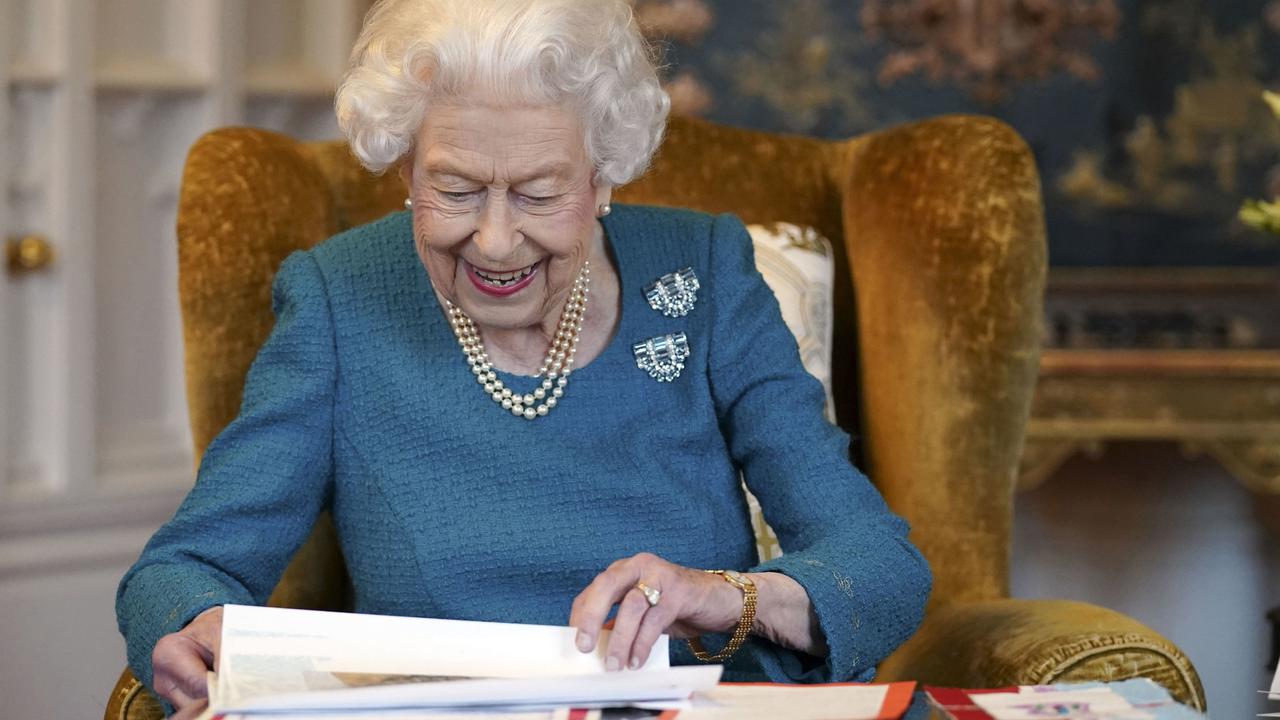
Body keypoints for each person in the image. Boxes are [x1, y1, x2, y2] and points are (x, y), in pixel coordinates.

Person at [116, 0, 932, 715]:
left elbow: (880, 566)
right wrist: (194, 624)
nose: (496, 241)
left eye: (540, 193)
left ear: (603, 173)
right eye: (457, 189)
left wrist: (724, 597)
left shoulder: (704, 270)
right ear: (405, 165)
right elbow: (184, 567)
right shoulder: (341, 300)